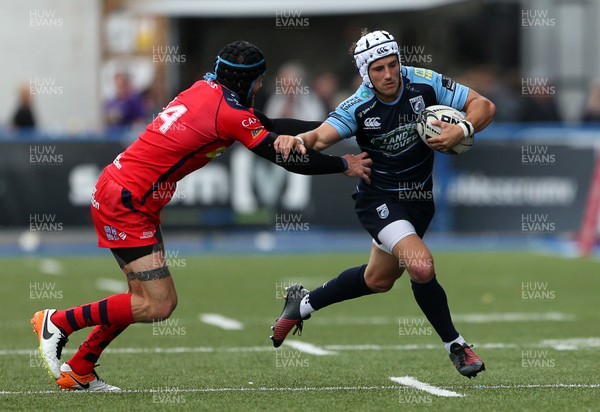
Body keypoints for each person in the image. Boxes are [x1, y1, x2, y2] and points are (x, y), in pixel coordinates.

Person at [31, 40, 372, 391]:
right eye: (258, 80)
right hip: (126, 201)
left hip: (132, 196)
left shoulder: (205, 89)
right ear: (245, 81)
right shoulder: (230, 114)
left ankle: (81, 367)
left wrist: (342, 125)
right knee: (159, 304)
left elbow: (270, 123)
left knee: (139, 297)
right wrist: (342, 163)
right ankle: (58, 321)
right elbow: (285, 157)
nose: (260, 86)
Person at [270, 29, 496, 379]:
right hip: (379, 199)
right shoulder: (357, 105)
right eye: (378, 69)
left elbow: (484, 105)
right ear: (365, 73)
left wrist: (462, 127)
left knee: (378, 280)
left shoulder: (425, 82)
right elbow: (318, 135)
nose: (389, 74)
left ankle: (301, 304)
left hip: (419, 201)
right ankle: (457, 345)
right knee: (421, 266)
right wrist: (296, 139)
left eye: (393, 65)